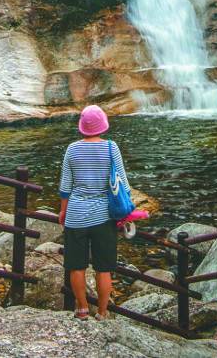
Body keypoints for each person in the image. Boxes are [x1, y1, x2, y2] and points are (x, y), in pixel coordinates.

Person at [58, 104, 130, 320]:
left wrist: (63, 211)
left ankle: (81, 308)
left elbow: (66, 186)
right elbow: (122, 184)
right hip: (104, 216)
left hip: (76, 216)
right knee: (103, 268)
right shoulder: (111, 148)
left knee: (76, 266)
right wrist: (127, 209)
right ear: (103, 126)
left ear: (82, 126)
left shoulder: (72, 149)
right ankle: (102, 311)